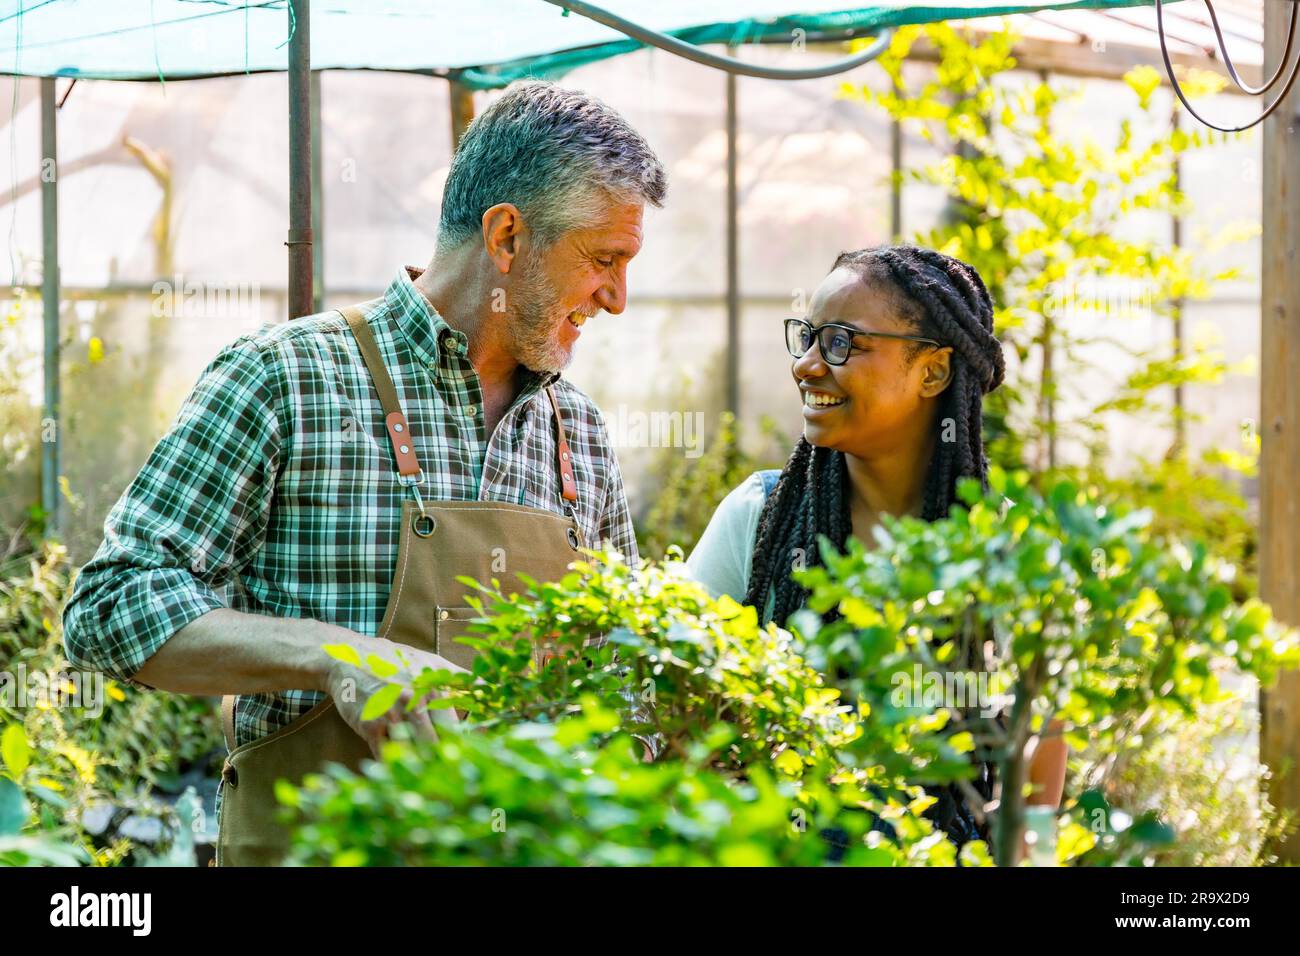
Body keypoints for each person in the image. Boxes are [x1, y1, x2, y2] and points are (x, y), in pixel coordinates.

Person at [62, 81, 666, 866]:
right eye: (604, 260)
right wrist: (333, 656)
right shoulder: (286, 377)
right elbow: (111, 605)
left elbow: (625, 682)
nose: (617, 298)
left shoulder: (575, 431)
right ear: (508, 236)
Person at [686, 244, 1067, 850]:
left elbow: (1035, 792)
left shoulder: (1009, 552)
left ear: (933, 371)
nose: (807, 365)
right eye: (807, 338)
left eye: (841, 343)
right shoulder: (758, 519)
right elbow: (675, 704)